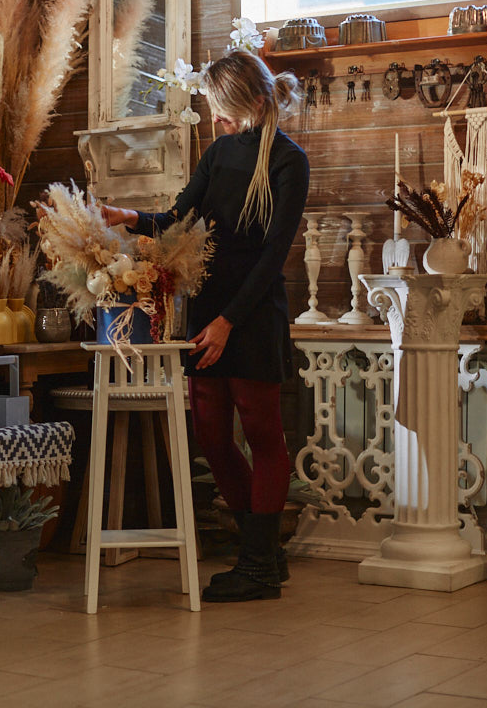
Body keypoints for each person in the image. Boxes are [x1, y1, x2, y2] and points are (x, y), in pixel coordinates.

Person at [103, 50, 307, 602]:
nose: (216, 120)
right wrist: (130, 217)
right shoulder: (218, 154)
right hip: (208, 312)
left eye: (224, 110)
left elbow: (272, 257)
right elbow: (178, 219)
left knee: (263, 435)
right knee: (212, 438)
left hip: (253, 314)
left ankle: (260, 566)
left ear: (258, 104)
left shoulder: (289, 162)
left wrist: (227, 323)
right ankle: (262, 553)